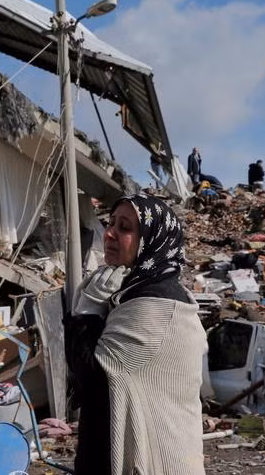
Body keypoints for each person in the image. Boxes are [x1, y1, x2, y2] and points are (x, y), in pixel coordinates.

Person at [64, 194, 207, 475]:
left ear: (152, 241)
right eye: (111, 223)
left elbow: (92, 376)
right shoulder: (128, 293)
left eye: (125, 228)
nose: (109, 234)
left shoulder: (156, 304)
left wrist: (88, 311)